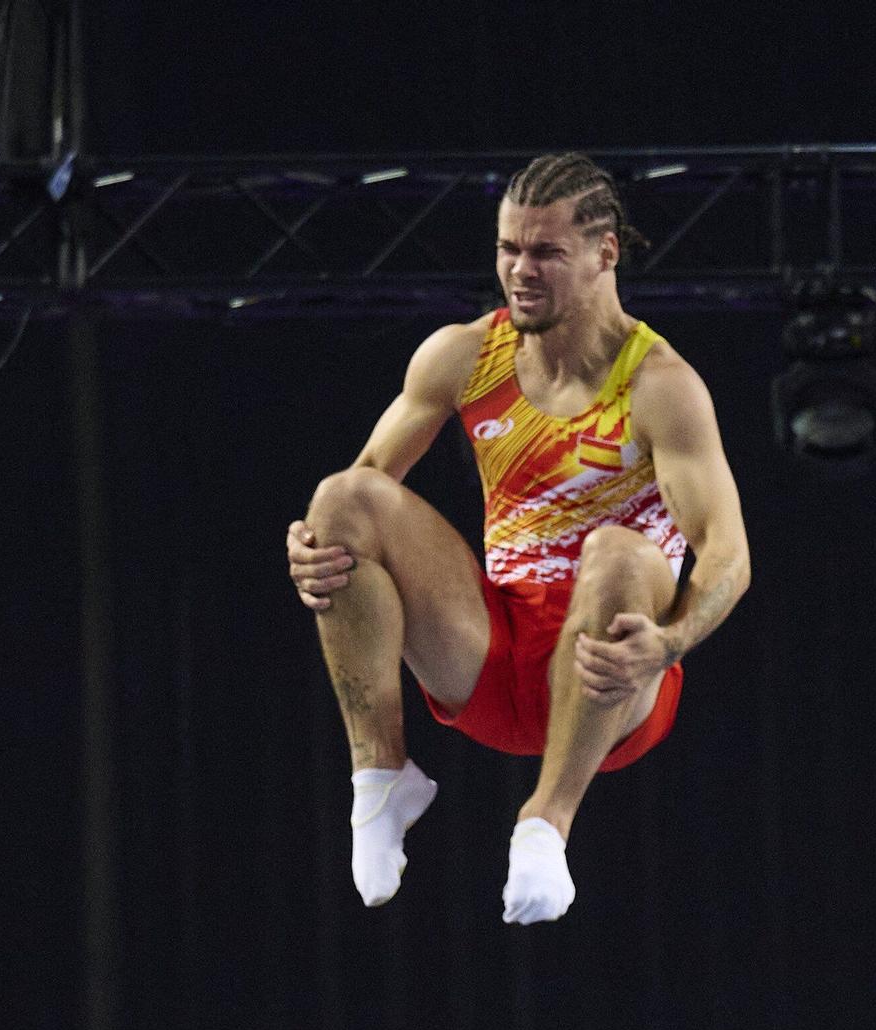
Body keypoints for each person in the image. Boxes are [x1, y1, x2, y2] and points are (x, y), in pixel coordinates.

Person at [284, 152, 751, 924]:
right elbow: (367, 483)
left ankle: (547, 822)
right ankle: (381, 775)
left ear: (604, 253)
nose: (520, 271)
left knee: (618, 552)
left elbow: (728, 553)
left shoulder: (661, 385)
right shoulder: (466, 355)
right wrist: (314, 550)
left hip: (616, 680)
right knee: (341, 500)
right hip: (491, 659)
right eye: (508, 249)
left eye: (545, 252)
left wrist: (668, 644)